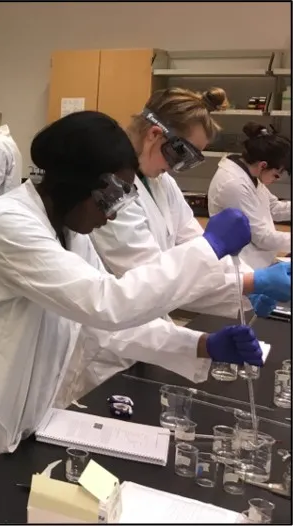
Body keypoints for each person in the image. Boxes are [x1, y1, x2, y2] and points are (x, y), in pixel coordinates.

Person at [0, 111, 265, 521]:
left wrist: (197, 343)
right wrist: (206, 249)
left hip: (22, 410)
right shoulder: (7, 223)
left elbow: (97, 325)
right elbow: (107, 302)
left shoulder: (69, 233)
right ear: (76, 183)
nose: (111, 215)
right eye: (111, 197)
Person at [76, 89, 292, 401]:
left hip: (150, 336)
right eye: (183, 154)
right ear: (155, 135)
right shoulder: (112, 189)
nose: (180, 167)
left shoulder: (162, 182)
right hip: (104, 348)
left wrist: (249, 283)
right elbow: (151, 275)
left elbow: (198, 244)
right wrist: (249, 282)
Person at [208, 122, 291, 270]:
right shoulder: (234, 184)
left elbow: (273, 207)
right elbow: (262, 238)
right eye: (276, 175)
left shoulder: (250, 174)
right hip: (243, 266)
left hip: (260, 261)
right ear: (263, 165)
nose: (274, 180)